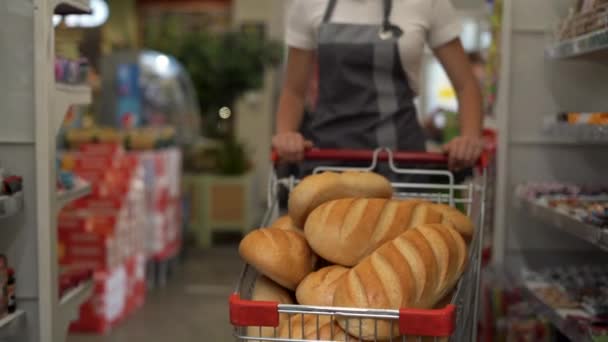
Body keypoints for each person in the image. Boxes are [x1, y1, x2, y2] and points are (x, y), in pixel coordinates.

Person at [272, 0, 485, 174]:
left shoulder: (428, 3)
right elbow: (293, 90)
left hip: (402, 164)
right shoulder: (307, 4)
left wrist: (469, 138)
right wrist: (286, 134)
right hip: (327, 164)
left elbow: (467, 85)